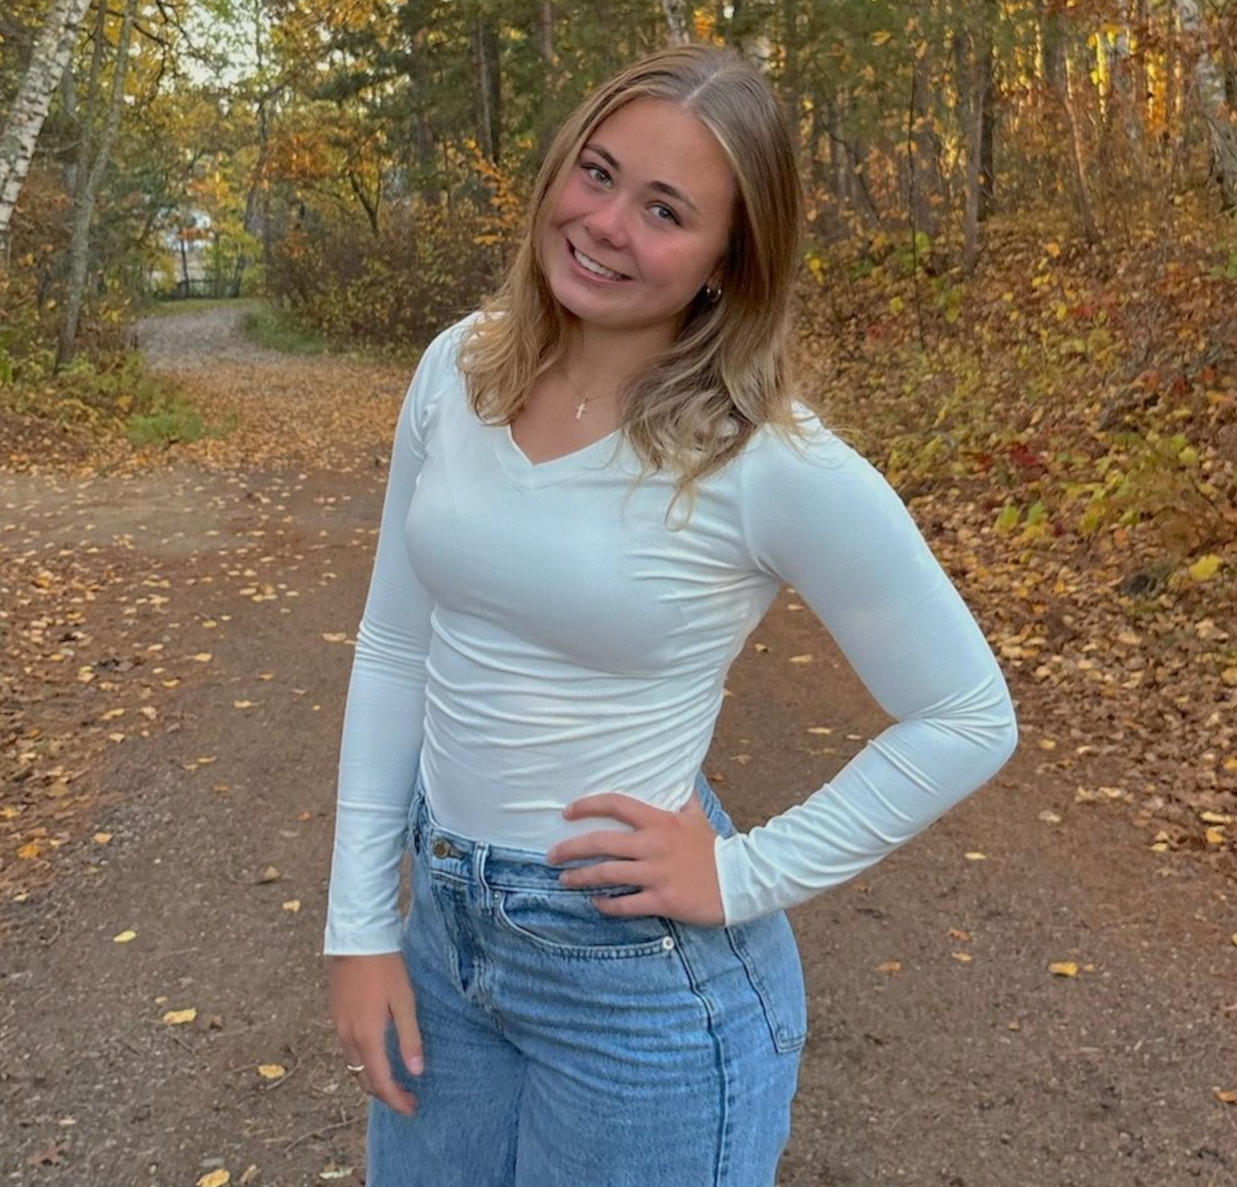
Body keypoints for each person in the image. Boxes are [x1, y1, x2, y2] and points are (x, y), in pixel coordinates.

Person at [322, 43, 1019, 1187]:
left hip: (635, 987)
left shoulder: (768, 460)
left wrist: (741, 876)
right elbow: (399, 643)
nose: (604, 225)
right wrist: (358, 927)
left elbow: (966, 713)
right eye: (596, 174)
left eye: (664, 210)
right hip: (446, 939)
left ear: (727, 261)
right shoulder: (459, 369)